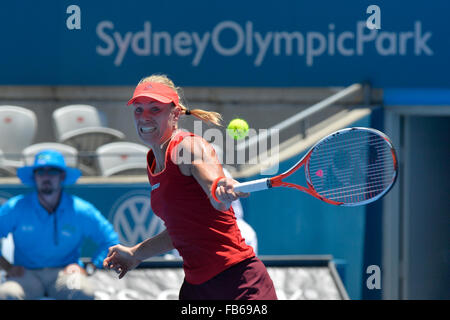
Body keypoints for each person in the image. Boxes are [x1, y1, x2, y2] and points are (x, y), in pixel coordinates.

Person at [103, 74, 277, 300]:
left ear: (174, 114)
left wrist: (219, 188)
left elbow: (214, 190)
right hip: (197, 288)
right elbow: (181, 231)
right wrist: (135, 254)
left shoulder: (188, 146)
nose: (144, 117)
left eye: (155, 109)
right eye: (139, 109)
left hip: (239, 283)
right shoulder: (154, 162)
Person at [0, 150, 119, 300]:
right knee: (6, 294)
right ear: (34, 176)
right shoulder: (16, 207)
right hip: (26, 274)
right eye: (40, 171)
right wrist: (7, 267)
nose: (46, 176)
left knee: (84, 293)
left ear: (62, 176)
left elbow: (110, 241)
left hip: (65, 273)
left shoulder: (81, 210)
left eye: (53, 171)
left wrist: (89, 268)